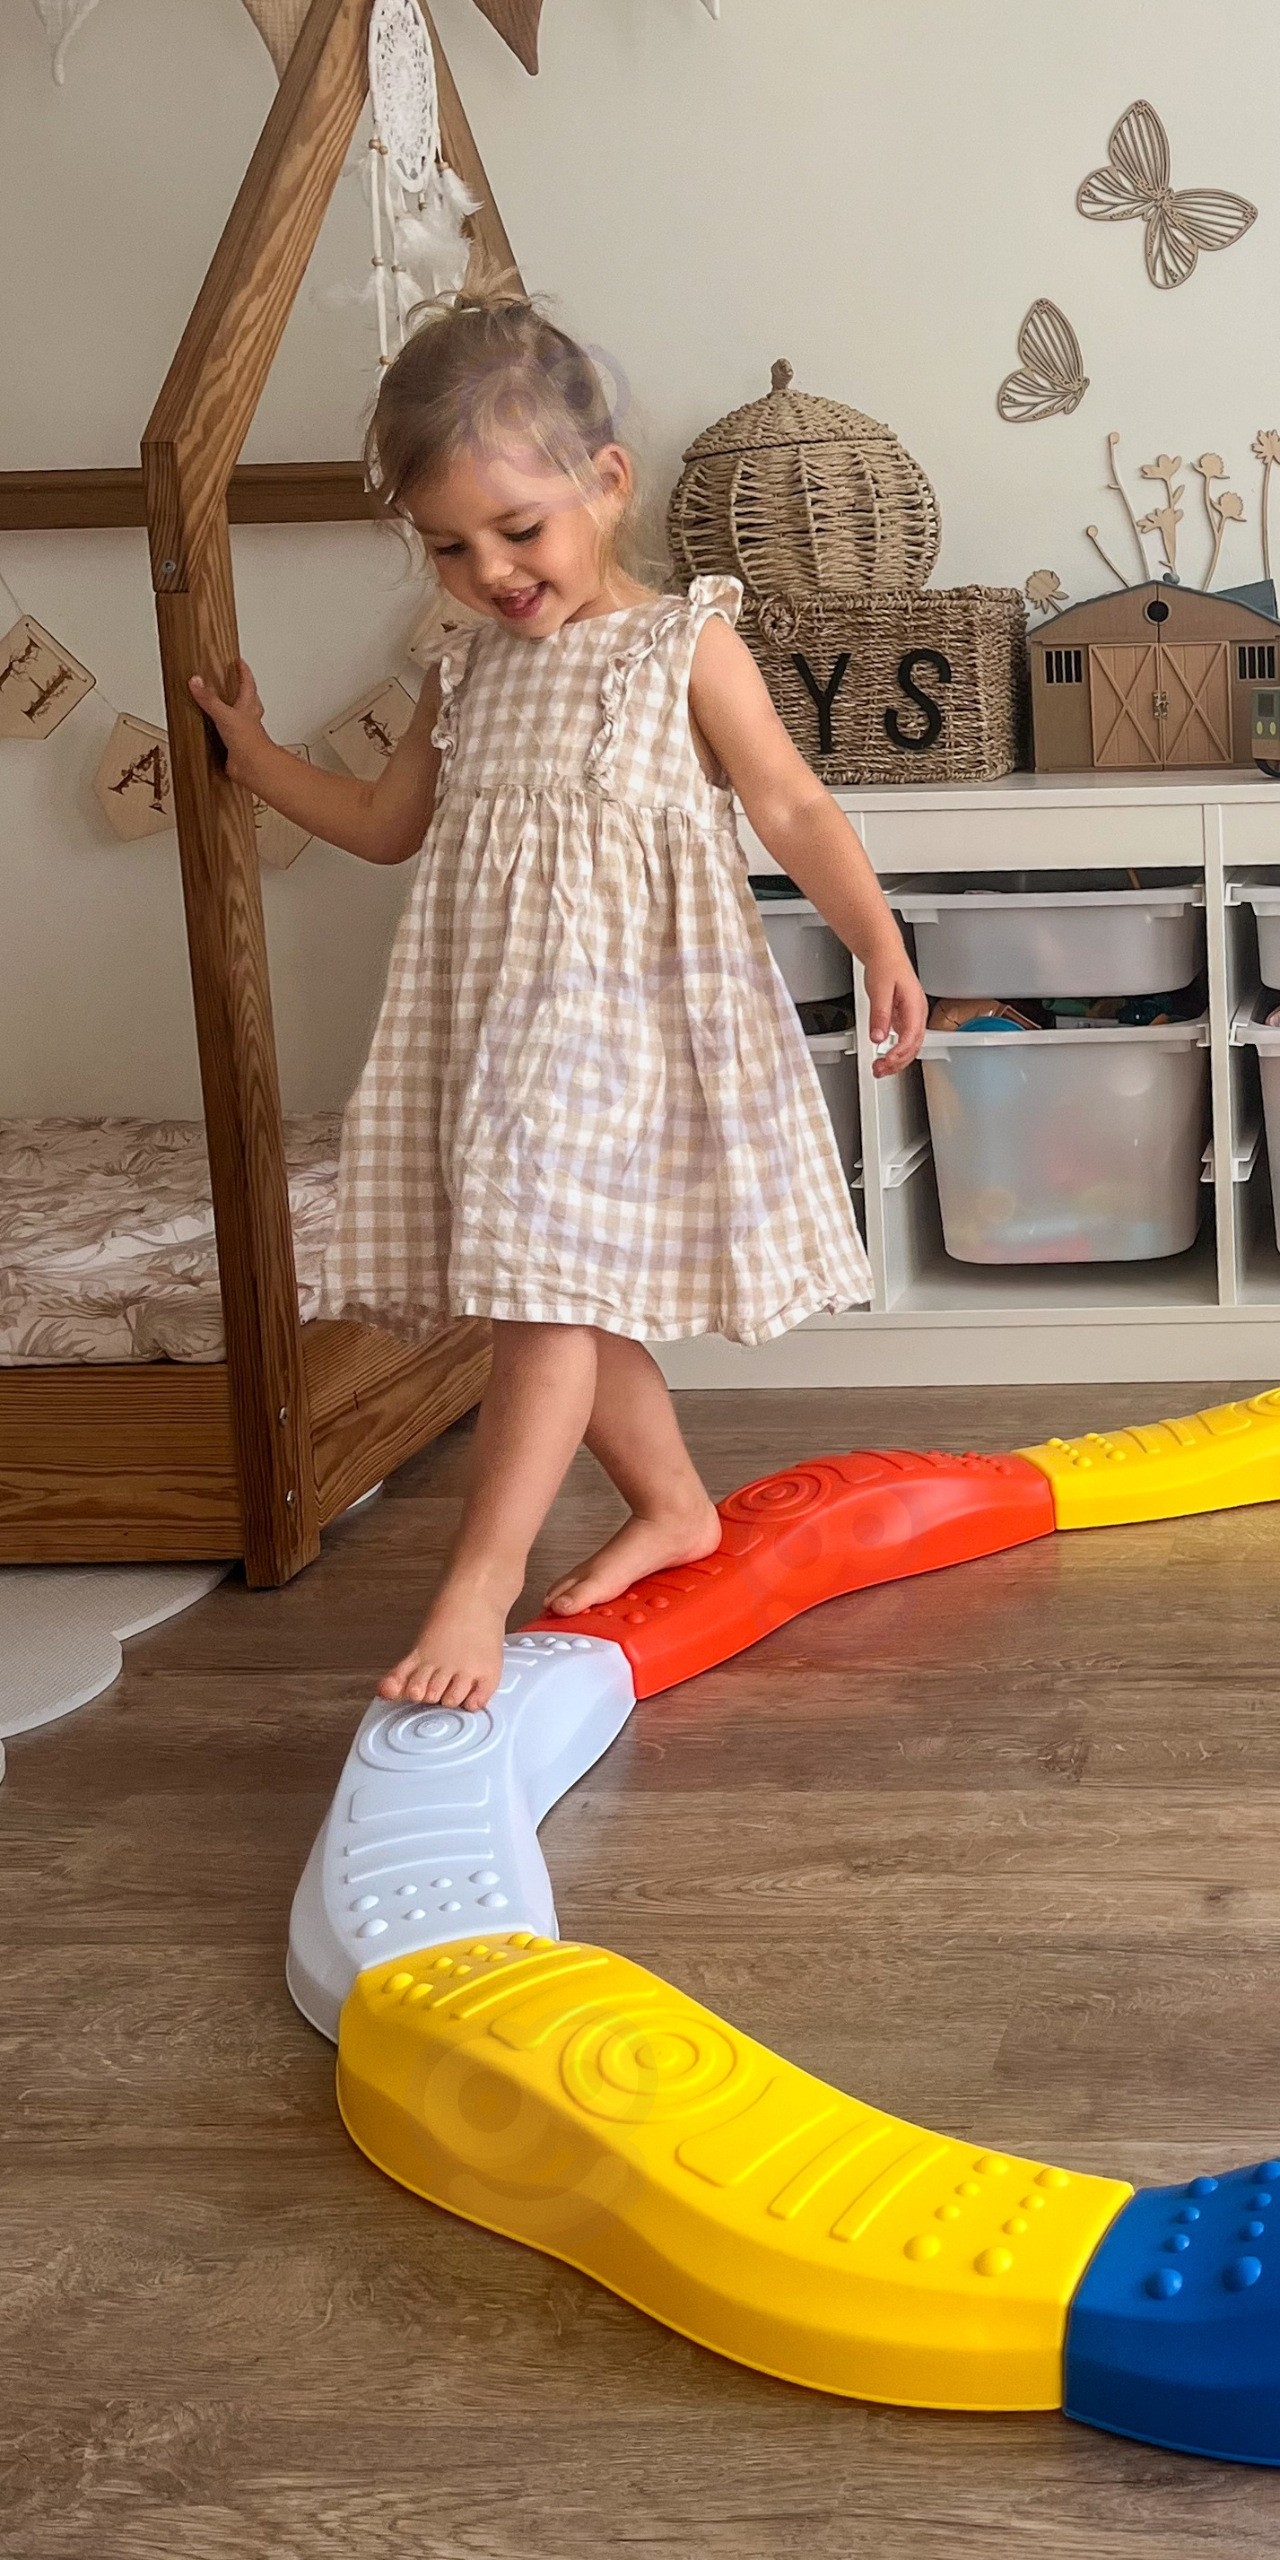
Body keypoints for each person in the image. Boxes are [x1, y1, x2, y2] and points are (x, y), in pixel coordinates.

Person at [191, 298, 926, 1713]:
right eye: (448, 547)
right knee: (553, 1290)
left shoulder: (682, 647)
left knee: (541, 1291)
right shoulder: (462, 667)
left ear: (606, 484)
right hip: (499, 1030)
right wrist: (256, 759)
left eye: (519, 530)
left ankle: (478, 1580)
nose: (489, 571)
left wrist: (877, 938)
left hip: (628, 1030)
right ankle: (677, 1509)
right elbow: (388, 826)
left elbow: (789, 804)